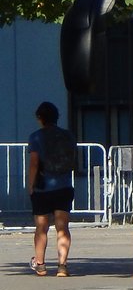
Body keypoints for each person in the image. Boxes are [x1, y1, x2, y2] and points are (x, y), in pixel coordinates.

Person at [27, 101, 76, 277]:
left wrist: (30, 185)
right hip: (63, 185)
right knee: (62, 227)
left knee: (41, 227)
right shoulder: (68, 136)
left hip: (42, 187)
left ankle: (40, 265)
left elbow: (34, 163)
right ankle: (62, 266)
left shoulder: (36, 137)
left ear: (40, 118)